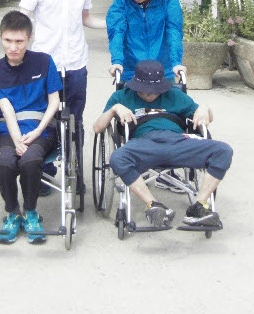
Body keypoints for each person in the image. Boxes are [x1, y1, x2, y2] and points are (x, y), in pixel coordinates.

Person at [93, 59, 233, 230]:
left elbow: (206, 118)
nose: (150, 94)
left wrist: (205, 108)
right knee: (117, 158)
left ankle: (199, 206)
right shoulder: (122, 97)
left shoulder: (174, 95)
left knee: (223, 151)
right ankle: (153, 205)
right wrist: (114, 109)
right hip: (144, 143)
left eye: (155, 90)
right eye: (145, 90)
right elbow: (98, 127)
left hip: (178, 141)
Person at [19, 0, 105, 190]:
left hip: (76, 63)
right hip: (45, 65)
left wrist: (112, 25)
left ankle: (75, 172)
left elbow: (86, 18)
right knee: (44, 119)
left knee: (76, 121)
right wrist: (19, 48)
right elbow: (23, 19)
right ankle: (44, 173)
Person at [0, 10, 62, 245]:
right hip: (8, 131)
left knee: (30, 160)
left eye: (19, 41)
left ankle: (30, 212)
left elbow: (55, 102)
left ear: (29, 38)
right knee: (5, 162)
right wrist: (17, 139)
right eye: (8, 40)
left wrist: (38, 131)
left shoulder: (44, 62)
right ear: (1, 37)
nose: (13, 47)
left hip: (41, 128)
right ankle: (12, 213)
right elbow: (6, 109)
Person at [107, 0, 186, 85]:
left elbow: (173, 29)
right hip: (131, 67)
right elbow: (117, 29)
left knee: (169, 96)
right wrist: (117, 60)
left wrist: (176, 62)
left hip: (162, 66)